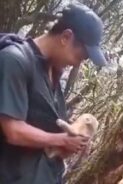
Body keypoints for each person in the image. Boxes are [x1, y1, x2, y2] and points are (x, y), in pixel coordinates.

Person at [0, 2, 106, 184]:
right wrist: (61, 140)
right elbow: (13, 130)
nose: (77, 64)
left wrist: (73, 138)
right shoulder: (14, 60)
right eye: (80, 56)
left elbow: (41, 130)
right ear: (66, 37)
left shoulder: (53, 73)